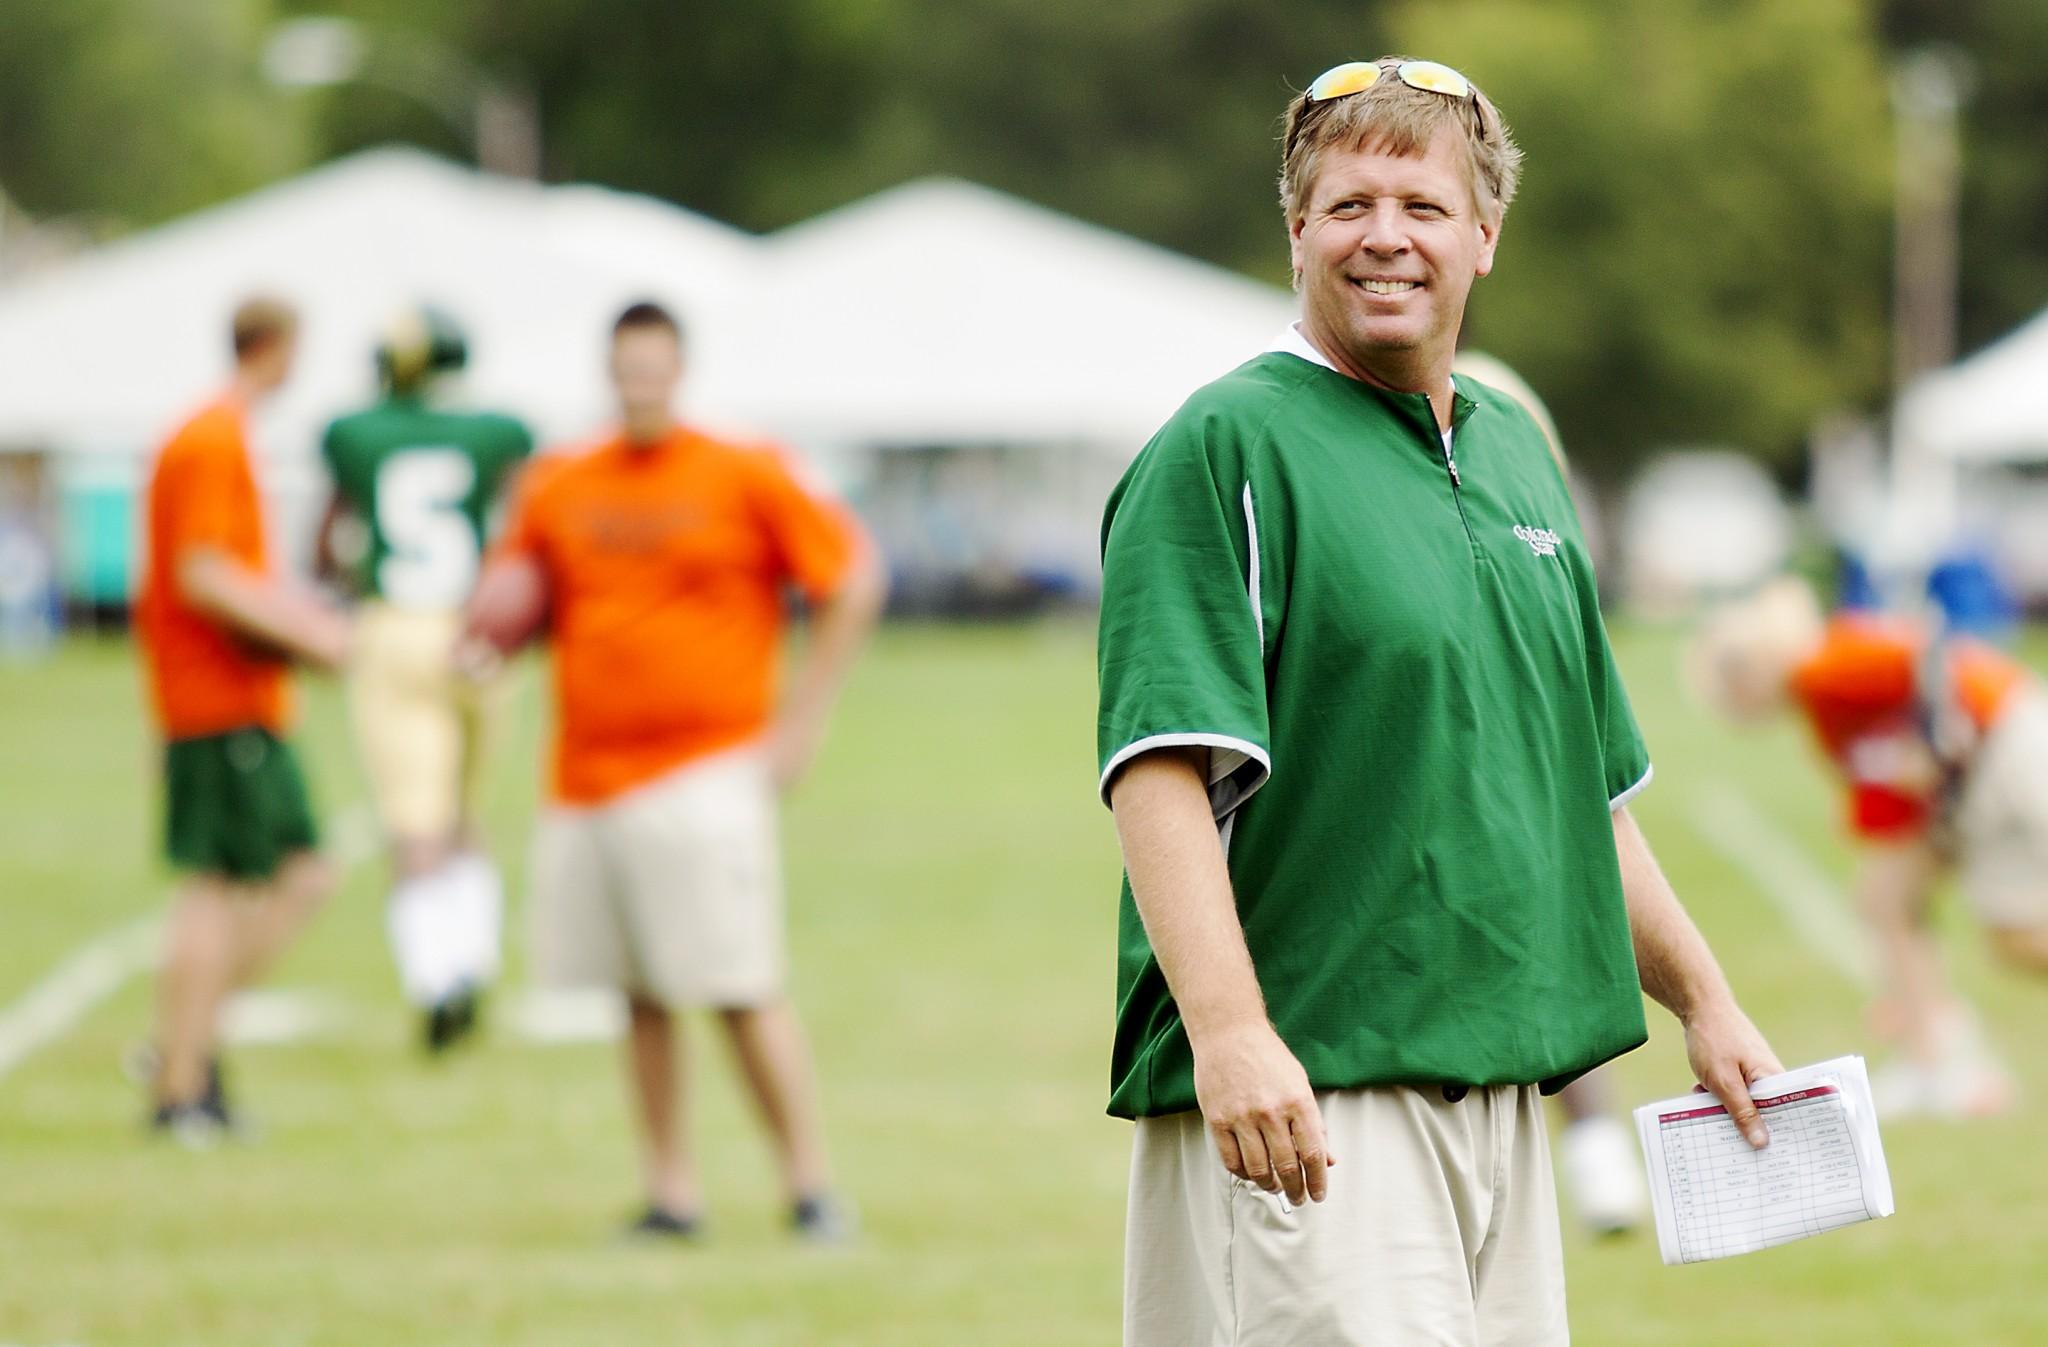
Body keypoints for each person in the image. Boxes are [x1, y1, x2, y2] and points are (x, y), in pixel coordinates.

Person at [1097, 58, 1780, 1344]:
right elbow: (1156, 769)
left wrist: (1706, 1002)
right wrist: (1233, 1039)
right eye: (1348, 205)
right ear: (1296, 231)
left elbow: (1583, 792)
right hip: (1312, 1099)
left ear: (1483, 236)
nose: (1385, 239)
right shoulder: (1223, 444)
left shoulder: (1516, 454)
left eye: (1420, 205)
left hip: (1499, 1095)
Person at [480, 301, 886, 1241]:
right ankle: (671, 1190)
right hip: (585, 772)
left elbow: (851, 577)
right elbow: (515, 594)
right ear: (610, 372)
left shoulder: (740, 468)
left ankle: (811, 1185)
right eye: (627, 369)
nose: (641, 386)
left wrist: (802, 722)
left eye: (655, 368)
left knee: (740, 981)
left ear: (680, 370)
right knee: (638, 990)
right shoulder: (561, 481)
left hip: (703, 767)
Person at [1693, 576, 2047, 1116]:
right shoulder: (1821, 708)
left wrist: (1936, 738)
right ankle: (1932, 1047)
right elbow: (1887, 817)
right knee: (1893, 901)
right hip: (1977, 780)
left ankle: (1937, 1048)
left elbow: (1925, 656)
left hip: (2006, 750)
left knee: (2003, 930)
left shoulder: (1826, 667)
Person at [135, 295, 351, 1143]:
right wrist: (312, 634)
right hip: (219, 698)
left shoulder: (215, 432)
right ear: (278, 346)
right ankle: (181, 1077)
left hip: (233, 698)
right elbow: (203, 572)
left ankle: (190, 1053)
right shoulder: (212, 436)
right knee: (226, 886)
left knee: (286, 875)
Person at [1452, 347, 1646, 1236]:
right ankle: (1596, 1159)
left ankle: (1598, 1160)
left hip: (1515, 812)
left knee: (1544, 982)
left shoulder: (1507, 440)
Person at [317, 305, 532, 1050]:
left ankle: (435, 975)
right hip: (477, 627)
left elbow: (330, 539)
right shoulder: (495, 430)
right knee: (468, 812)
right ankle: (472, 957)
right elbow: (521, 520)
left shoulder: (354, 433)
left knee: (415, 822)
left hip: (399, 626)